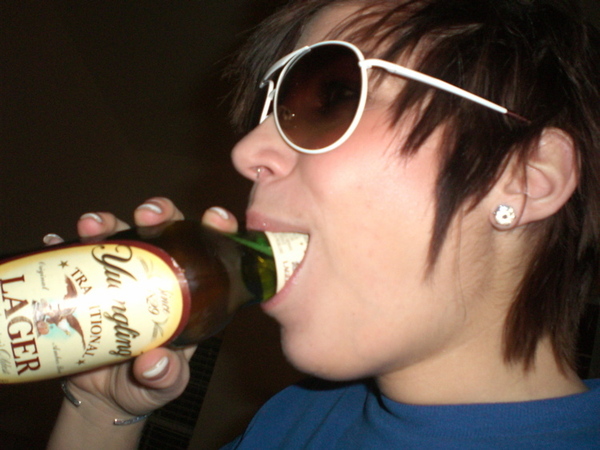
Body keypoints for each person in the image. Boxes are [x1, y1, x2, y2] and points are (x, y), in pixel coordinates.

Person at [48, 0, 600, 447]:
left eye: (332, 96)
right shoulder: (296, 417)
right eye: (270, 109)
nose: (247, 151)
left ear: (525, 176)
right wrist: (99, 409)